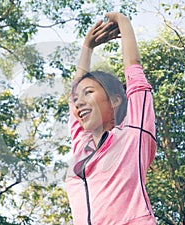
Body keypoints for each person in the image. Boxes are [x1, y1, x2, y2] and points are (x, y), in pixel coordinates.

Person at [66, 12, 157, 225]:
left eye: (89, 93)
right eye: (78, 98)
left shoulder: (135, 134)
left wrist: (123, 22)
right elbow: (74, 100)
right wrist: (87, 47)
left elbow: (135, 72)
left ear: (114, 100)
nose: (79, 102)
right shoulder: (82, 147)